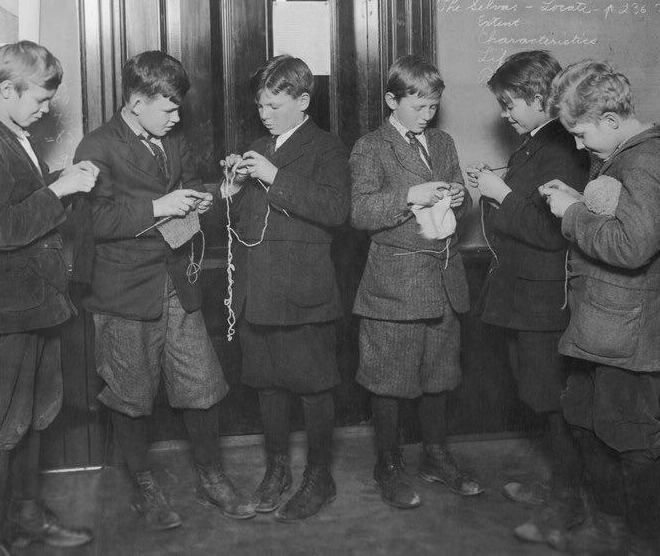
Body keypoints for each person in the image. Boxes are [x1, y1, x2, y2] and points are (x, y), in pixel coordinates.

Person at [73, 50, 254, 531]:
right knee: (130, 397)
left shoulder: (168, 140)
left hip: (176, 284)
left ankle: (212, 479)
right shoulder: (97, 147)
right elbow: (94, 221)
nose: (177, 118)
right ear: (135, 102)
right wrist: (160, 206)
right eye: (168, 108)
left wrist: (219, 192)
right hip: (125, 293)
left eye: (178, 108)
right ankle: (144, 488)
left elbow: (186, 193)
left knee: (204, 386)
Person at [0, 40, 97, 556]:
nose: (44, 109)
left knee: (37, 413)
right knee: (0, 425)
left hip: (35, 304)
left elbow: (18, 205)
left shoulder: (10, 136)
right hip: (7, 310)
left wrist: (63, 181)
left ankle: (30, 518)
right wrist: (58, 191)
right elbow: (2, 229)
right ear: (3, 89)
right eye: (38, 99)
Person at [540, 60, 660, 556]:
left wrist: (573, 213)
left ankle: (641, 545)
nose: (577, 146)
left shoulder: (644, 163)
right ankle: (610, 525)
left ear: (609, 118)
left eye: (579, 134)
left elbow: (632, 247)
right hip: (603, 325)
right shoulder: (624, 154)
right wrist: (581, 199)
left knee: (633, 439)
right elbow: (622, 220)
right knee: (582, 418)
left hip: (630, 335)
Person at [464, 51, 589, 543]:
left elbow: (552, 231)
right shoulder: (538, 142)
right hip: (522, 296)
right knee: (537, 395)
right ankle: (559, 482)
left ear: (540, 99)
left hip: (543, 302)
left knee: (551, 400)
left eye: (510, 103)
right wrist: (502, 183)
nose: (504, 113)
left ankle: (568, 501)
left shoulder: (563, 147)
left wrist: (501, 193)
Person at [219, 55, 349, 521]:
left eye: (274, 105)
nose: (265, 114)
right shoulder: (258, 145)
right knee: (267, 386)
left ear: (303, 101)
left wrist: (274, 177)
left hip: (304, 294)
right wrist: (231, 192)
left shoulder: (326, 147)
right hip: (259, 293)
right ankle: (277, 469)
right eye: (261, 105)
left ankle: (320, 476)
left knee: (314, 388)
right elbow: (244, 224)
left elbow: (336, 210)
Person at [349, 54, 482, 510]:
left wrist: (459, 198)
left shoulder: (442, 142)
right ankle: (387, 465)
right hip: (395, 284)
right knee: (389, 381)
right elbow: (360, 212)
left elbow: (458, 205)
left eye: (433, 107)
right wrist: (410, 195)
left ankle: (435, 455)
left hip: (445, 279)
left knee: (440, 377)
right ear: (392, 100)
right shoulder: (371, 147)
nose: (428, 115)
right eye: (419, 107)